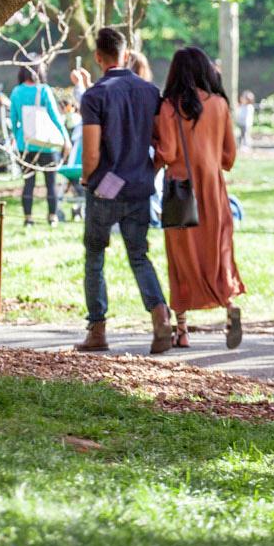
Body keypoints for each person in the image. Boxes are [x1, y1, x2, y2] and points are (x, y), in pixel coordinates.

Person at [76, 26, 173, 354]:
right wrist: (150, 170)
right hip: (139, 186)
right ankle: (160, 317)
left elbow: (91, 153)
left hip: (105, 186)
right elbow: (162, 141)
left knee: (95, 257)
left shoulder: (94, 96)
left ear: (98, 58)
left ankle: (97, 329)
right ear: (126, 55)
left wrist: (88, 178)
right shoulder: (149, 92)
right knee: (138, 255)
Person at [153, 46, 245, 350]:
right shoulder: (219, 105)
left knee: (181, 259)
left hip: (180, 192)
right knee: (217, 252)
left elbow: (167, 153)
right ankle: (229, 306)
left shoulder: (168, 108)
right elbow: (228, 157)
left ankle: (182, 331)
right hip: (213, 191)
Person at [9, 64, 70, 227]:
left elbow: (14, 120)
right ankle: (52, 217)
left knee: (28, 183)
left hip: (25, 144)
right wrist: (65, 138)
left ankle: (28, 219)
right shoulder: (44, 90)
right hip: (46, 144)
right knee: (51, 184)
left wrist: (18, 138)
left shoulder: (16, 92)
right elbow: (55, 117)